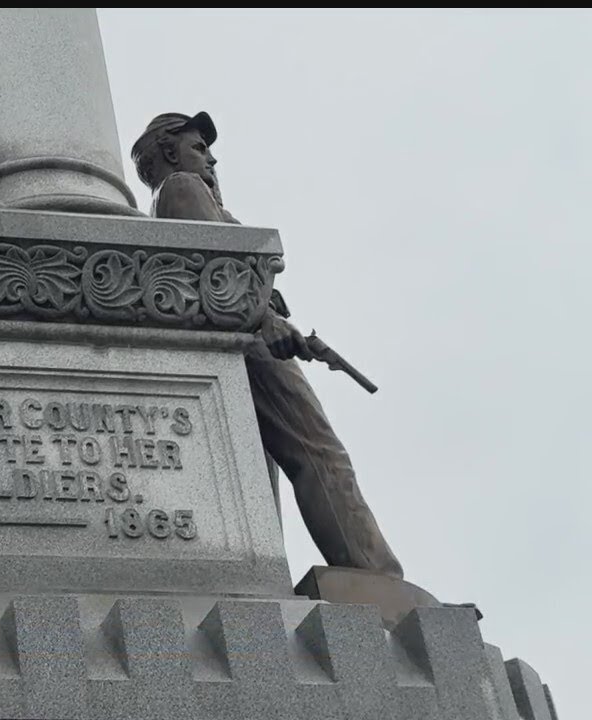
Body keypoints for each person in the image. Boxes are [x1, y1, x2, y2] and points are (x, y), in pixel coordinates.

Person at [131, 111, 404, 578]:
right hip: (250, 340)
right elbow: (218, 274)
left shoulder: (182, 194)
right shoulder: (182, 188)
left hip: (241, 342)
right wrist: (264, 318)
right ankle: (379, 578)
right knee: (319, 451)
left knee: (261, 472)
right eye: (199, 148)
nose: (211, 160)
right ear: (170, 151)